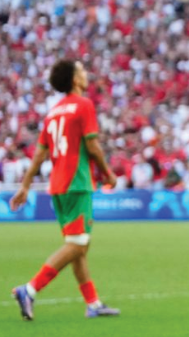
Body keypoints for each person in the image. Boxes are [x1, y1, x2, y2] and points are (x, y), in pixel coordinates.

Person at [10, 59, 120, 320]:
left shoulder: (53, 112)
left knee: (77, 245)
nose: (85, 74)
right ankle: (30, 289)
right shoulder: (83, 105)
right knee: (78, 244)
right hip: (77, 183)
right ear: (74, 80)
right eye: (82, 70)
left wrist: (25, 186)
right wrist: (108, 174)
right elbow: (93, 148)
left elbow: (39, 155)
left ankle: (92, 303)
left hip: (58, 186)